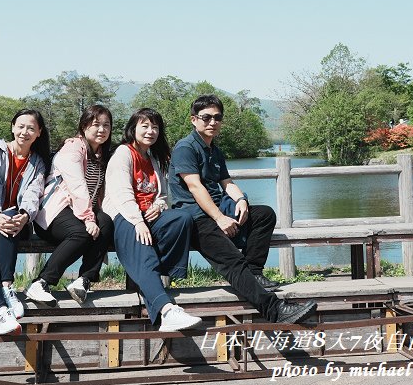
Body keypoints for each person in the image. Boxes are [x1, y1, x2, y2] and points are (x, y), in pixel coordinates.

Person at [168, 95, 317, 324]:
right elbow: (195, 187)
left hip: (218, 210)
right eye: (206, 117)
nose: (212, 122)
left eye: (217, 117)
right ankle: (275, 311)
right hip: (196, 217)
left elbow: (227, 182)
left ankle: (254, 273)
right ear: (194, 119)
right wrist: (219, 218)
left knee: (264, 215)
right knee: (233, 261)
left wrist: (241, 200)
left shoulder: (214, 150)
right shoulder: (185, 148)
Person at [103, 108, 203, 332]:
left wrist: (158, 206)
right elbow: (121, 194)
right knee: (144, 248)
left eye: (155, 127)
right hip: (125, 216)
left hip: (149, 216)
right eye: (145, 126)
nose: (151, 131)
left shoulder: (154, 157)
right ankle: (167, 310)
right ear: (133, 129)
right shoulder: (123, 154)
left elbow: (163, 195)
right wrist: (137, 221)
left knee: (182, 218)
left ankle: (154, 274)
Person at [0, 109, 51, 335]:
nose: (24, 132)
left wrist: (25, 216)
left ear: (38, 133)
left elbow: (33, 193)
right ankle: (2, 314)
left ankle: (7, 287)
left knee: (11, 217)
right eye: (21, 126)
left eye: (31, 128)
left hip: (17, 224)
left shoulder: (37, 162)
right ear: (12, 127)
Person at [28, 105, 115, 306]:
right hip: (52, 214)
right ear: (84, 126)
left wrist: (94, 217)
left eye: (106, 125)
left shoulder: (101, 153)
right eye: (96, 125)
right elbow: (78, 186)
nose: (101, 129)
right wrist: (88, 218)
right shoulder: (72, 148)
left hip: (80, 213)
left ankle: (83, 280)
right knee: (82, 233)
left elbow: (99, 192)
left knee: (107, 223)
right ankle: (41, 283)